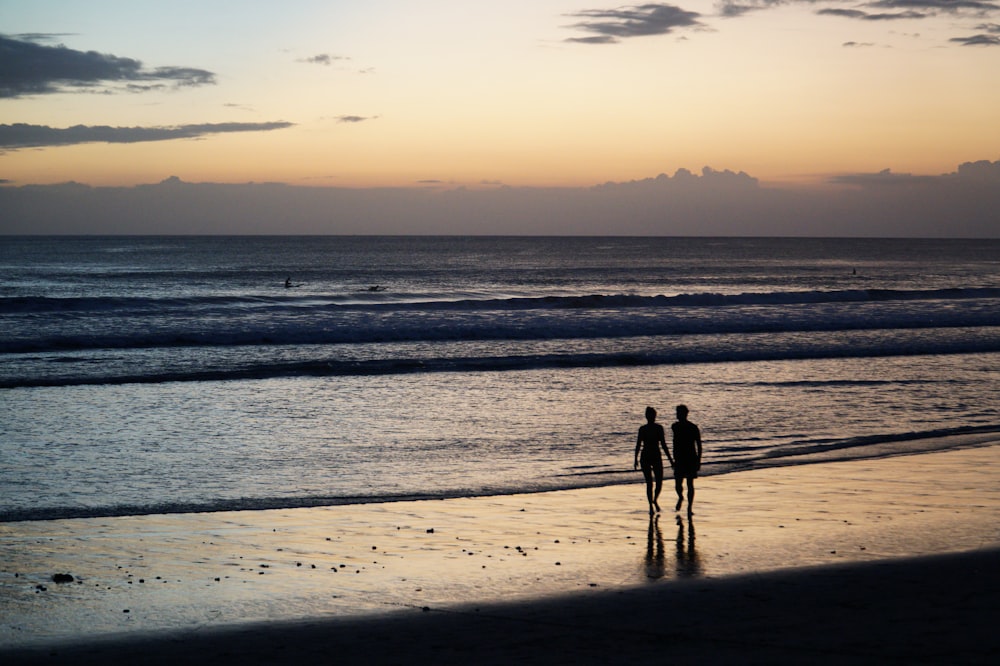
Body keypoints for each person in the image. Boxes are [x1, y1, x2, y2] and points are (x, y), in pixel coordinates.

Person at [634, 406, 670, 515]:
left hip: (656, 456)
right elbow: (638, 444)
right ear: (647, 416)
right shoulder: (643, 429)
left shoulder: (659, 428)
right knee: (649, 483)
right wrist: (635, 458)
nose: (651, 417)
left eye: (653, 415)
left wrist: (670, 459)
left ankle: (655, 499)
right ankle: (650, 505)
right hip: (645, 456)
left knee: (659, 482)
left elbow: (663, 444)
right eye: (650, 415)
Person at [671, 404, 703, 515]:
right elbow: (675, 444)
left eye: (679, 413)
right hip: (679, 458)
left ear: (684, 414)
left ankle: (689, 507)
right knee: (678, 484)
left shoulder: (693, 427)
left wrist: (698, 460)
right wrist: (673, 458)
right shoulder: (675, 427)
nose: (677, 415)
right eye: (677, 413)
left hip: (690, 458)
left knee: (690, 483)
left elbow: (699, 445)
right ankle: (680, 497)